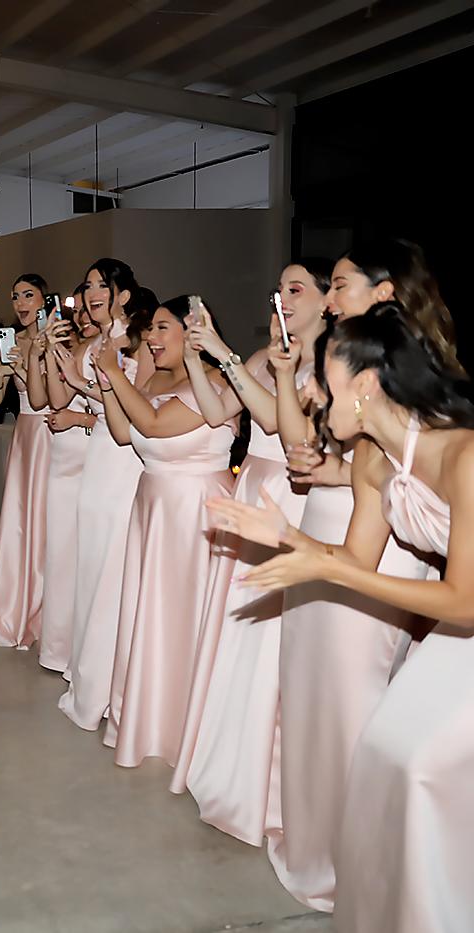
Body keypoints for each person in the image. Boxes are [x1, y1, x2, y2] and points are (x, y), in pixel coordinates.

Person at [208, 304, 474, 932]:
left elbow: (464, 597)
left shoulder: (463, 455)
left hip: (463, 621)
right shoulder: (377, 462)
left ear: (365, 385)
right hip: (456, 635)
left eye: (322, 380)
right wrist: (286, 538)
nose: (310, 392)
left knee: (420, 765)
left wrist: (323, 568)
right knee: (383, 748)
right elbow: (355, 557)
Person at [256, 239, 448, 912]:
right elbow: (361, 505)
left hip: (433, 596)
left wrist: (313, 552)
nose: (330, 300)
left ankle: (387, 874)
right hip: (383, 561)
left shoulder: (445, 437)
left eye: (336, 285)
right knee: (349, 718)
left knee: (389, 733)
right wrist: (287, 536)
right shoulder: (369, 443)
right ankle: (339, 856)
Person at [169, 260, 330, 845]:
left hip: (289, 500)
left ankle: (264, 777)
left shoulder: (331, 367)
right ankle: (224, 754)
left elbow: (285, 430)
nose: (281, 300)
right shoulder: (265, 358)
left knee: (270, 644)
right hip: (251, 490)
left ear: (326, 303)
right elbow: (219, 414)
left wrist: (222, 351)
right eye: (278, 290)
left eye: (297, 289)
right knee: (234, 636)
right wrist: (197, 353)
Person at [93, 296, 237, 767]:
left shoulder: (214, 384)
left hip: (196, 513)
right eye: (151, 330)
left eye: (160, 329)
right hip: (152, 506)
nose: (151, 339)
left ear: (190, 334)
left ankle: (187, 724)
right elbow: (122, 431)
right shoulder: (151, 378)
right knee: (148, 615)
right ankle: (150, 716)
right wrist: (109, 383)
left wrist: (116, 375)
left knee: (186, 618)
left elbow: (153, 425)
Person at [51, 259, 155, 730]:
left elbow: (137, 411)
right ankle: (86, 673)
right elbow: (92, 396)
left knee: (114, 572)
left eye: (101, 284)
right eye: (88, 284)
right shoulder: (99, 342)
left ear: (123, 294)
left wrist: (93, 385)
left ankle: (110, 685)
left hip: (126, 464)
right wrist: (76, 381)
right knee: (91, 567)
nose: (91, 291)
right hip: (97, 462)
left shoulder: (140, 340)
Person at [0, 274, 52, 648]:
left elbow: (52, 399)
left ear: (44, 298)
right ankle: (18, 609)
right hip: (25, 435)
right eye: (15, 296)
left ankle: (51, 615)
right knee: (22, 523)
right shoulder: (13, 341)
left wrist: (24, 368)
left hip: (55, 435)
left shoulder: (59, 338)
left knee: (50, 523)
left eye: (29, 295)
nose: (21, 303)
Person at [36, 283, 97, 672]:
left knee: (90, 558)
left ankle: (86, 643)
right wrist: (46, 354)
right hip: (64, 462)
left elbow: (116, 417)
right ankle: (60, 645)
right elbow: (52, 401)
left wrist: (78, 418)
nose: (82, 319)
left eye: (89, 312)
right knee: (61, 554)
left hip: (94, 457)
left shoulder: (115, 353)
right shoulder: (73, 354)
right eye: (78, 313)